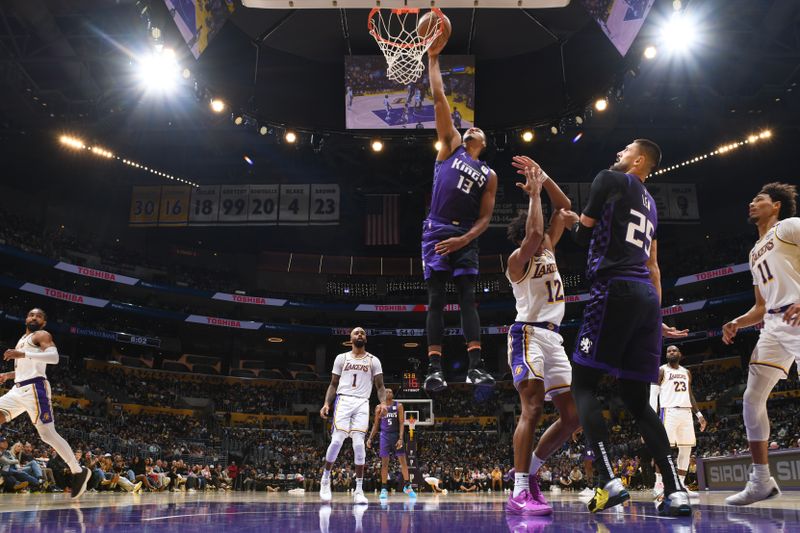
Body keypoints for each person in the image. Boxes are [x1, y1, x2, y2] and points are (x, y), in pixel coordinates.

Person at [566, 140, 691, 516]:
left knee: (583, 384)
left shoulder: (609, 179)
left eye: (625, 149)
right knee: (638, 402)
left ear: (638, 160)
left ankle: (607, 479)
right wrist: (656, 314)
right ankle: (675, 490)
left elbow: (582, 235)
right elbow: (654, 267)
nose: (617, 151)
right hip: (646, 300)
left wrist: (570, 218)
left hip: (614, 289)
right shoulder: (652, 205)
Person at [504, 157, 581, 515]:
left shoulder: (548, 246)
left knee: (572, 417)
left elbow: (564, 207)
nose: (542, 237)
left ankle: (531, 472)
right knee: (532, 408)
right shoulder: (517, 260)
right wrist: (533, 194)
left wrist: (544, 176)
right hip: (527, 335)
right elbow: (535, 234)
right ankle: (519, 490)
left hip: (554, 338)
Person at [421, 41, 498, 392]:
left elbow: (485, 219)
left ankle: (475, 367)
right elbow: (440, 99)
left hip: (465, 235)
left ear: (483, 141)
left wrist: (465, 239)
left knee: (467, 297)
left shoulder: (489, 174)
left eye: (477, 129)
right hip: (436, 230)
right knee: (436, 298)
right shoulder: (450, 145)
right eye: (469, 127)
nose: (471, 129)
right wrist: (433, 59)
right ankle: (434, 368)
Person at [722, 182, 799, 506]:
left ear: (777, 205)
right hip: (773, 325)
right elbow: (760, 306)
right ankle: (761, 480)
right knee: (752, 398)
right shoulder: (754, 251)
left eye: (760, 199)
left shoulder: (789, 227)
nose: (752, 203)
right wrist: (737, 322)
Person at [0, 308, 90, 498]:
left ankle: (78, 470)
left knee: (47, 435)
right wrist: (9, 375)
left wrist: (22, 354)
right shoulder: (22, 340)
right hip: (18, 388)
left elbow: (54, 358)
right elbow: (28, 367)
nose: (34, 317)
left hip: (35, 388)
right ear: (26, 318)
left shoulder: (42, 335)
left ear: (44, 322)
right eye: (31, 315)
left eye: (39, 316)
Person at [319, 327, 387, 504]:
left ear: (366, 339)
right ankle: (325, 479)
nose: (360, 335)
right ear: (350, 338)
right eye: (356, 333)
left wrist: (383, 403)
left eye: (363, 333)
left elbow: (380, 387)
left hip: (362, 402)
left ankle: (358, 490)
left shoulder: (374, 360)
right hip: (344, 400)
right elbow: (333, 384)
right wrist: (327, 403)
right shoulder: (341, 358)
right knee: (337, 440)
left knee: (359, 444)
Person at [649, 344, 707, 497]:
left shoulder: (686, 372)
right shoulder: (661, 370)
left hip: (686, 413)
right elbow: (654, 393)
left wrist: (699, 415)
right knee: (663, 448)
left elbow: (690, 394)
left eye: (674, 350)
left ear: (680, 354)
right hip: (668, 411)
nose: (671, 352)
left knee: (686, 449)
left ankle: (681, 484)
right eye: (668, 351)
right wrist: (651, 414)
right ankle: (659, 483)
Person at [366, 387, 415, 499]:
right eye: (386, 391)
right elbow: (375, 425)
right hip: (384, 436)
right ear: (383, 394)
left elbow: (402, 423)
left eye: (390, 391)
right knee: (384, 463)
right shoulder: (379, 407)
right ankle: (383, 488)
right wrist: (370, 438)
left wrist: (401, 438)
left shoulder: (399, 406)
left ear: (392, 394)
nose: (388, 392)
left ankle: (407, 486)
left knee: (403, 460)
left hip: (396, 435)